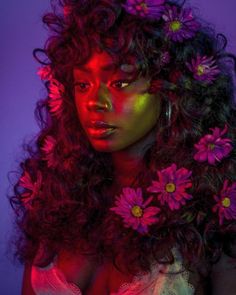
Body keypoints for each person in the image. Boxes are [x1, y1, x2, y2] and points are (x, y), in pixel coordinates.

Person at [10, 0, 236, 294]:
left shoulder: (214, 217)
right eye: (82, 85)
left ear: (172, 89)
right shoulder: (55, 201)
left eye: (120, 82)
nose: (95, 102)